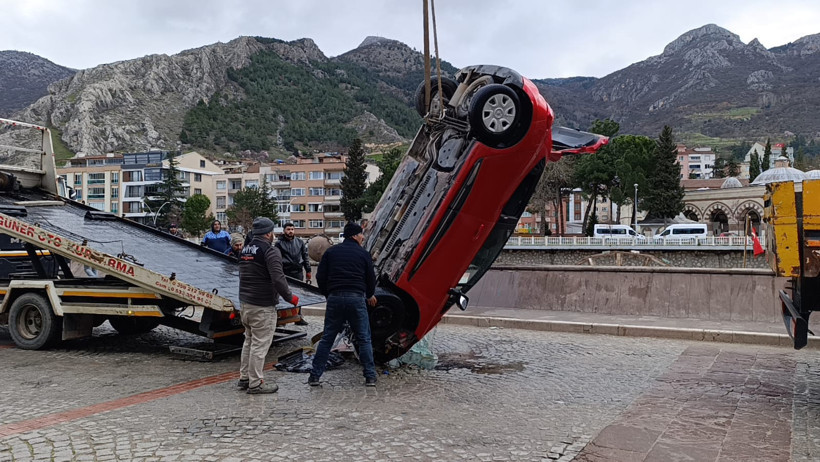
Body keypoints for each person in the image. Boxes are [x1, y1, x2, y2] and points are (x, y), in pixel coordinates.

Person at [309, 222, 378, 387]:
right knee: (364, 338)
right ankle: (370, 376)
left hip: (335, 298)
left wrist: (329, 294)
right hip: (356, 299)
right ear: (355, 236)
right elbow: (370, 278)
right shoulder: (363, 254)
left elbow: (320, 277)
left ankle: (315, 376)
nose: (363, 237)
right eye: (361, 234)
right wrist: (369, 295)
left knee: (327, 338)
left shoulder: (331, 252)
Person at [237, 217, 299, 394]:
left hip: (245, 302)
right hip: (262, 305)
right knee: (260, 344)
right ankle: (256, 383)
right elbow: (278, 279)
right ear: (269, 233)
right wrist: (290, 298)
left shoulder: (245, 249)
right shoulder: (269, 251)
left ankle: (244, 377)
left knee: (249, 341)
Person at [275, 222, 311, 325]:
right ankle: (283, 317)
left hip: (298, 272)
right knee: (283, 294)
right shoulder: (279, 243)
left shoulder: (299, 242)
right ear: (284, 231)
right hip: (285, 272)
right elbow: (277, 259)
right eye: (288, 229)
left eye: (292, 229)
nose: (290, 231)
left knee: (299, 295)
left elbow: (305, 257)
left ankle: (298, 317)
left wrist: (308, 270)